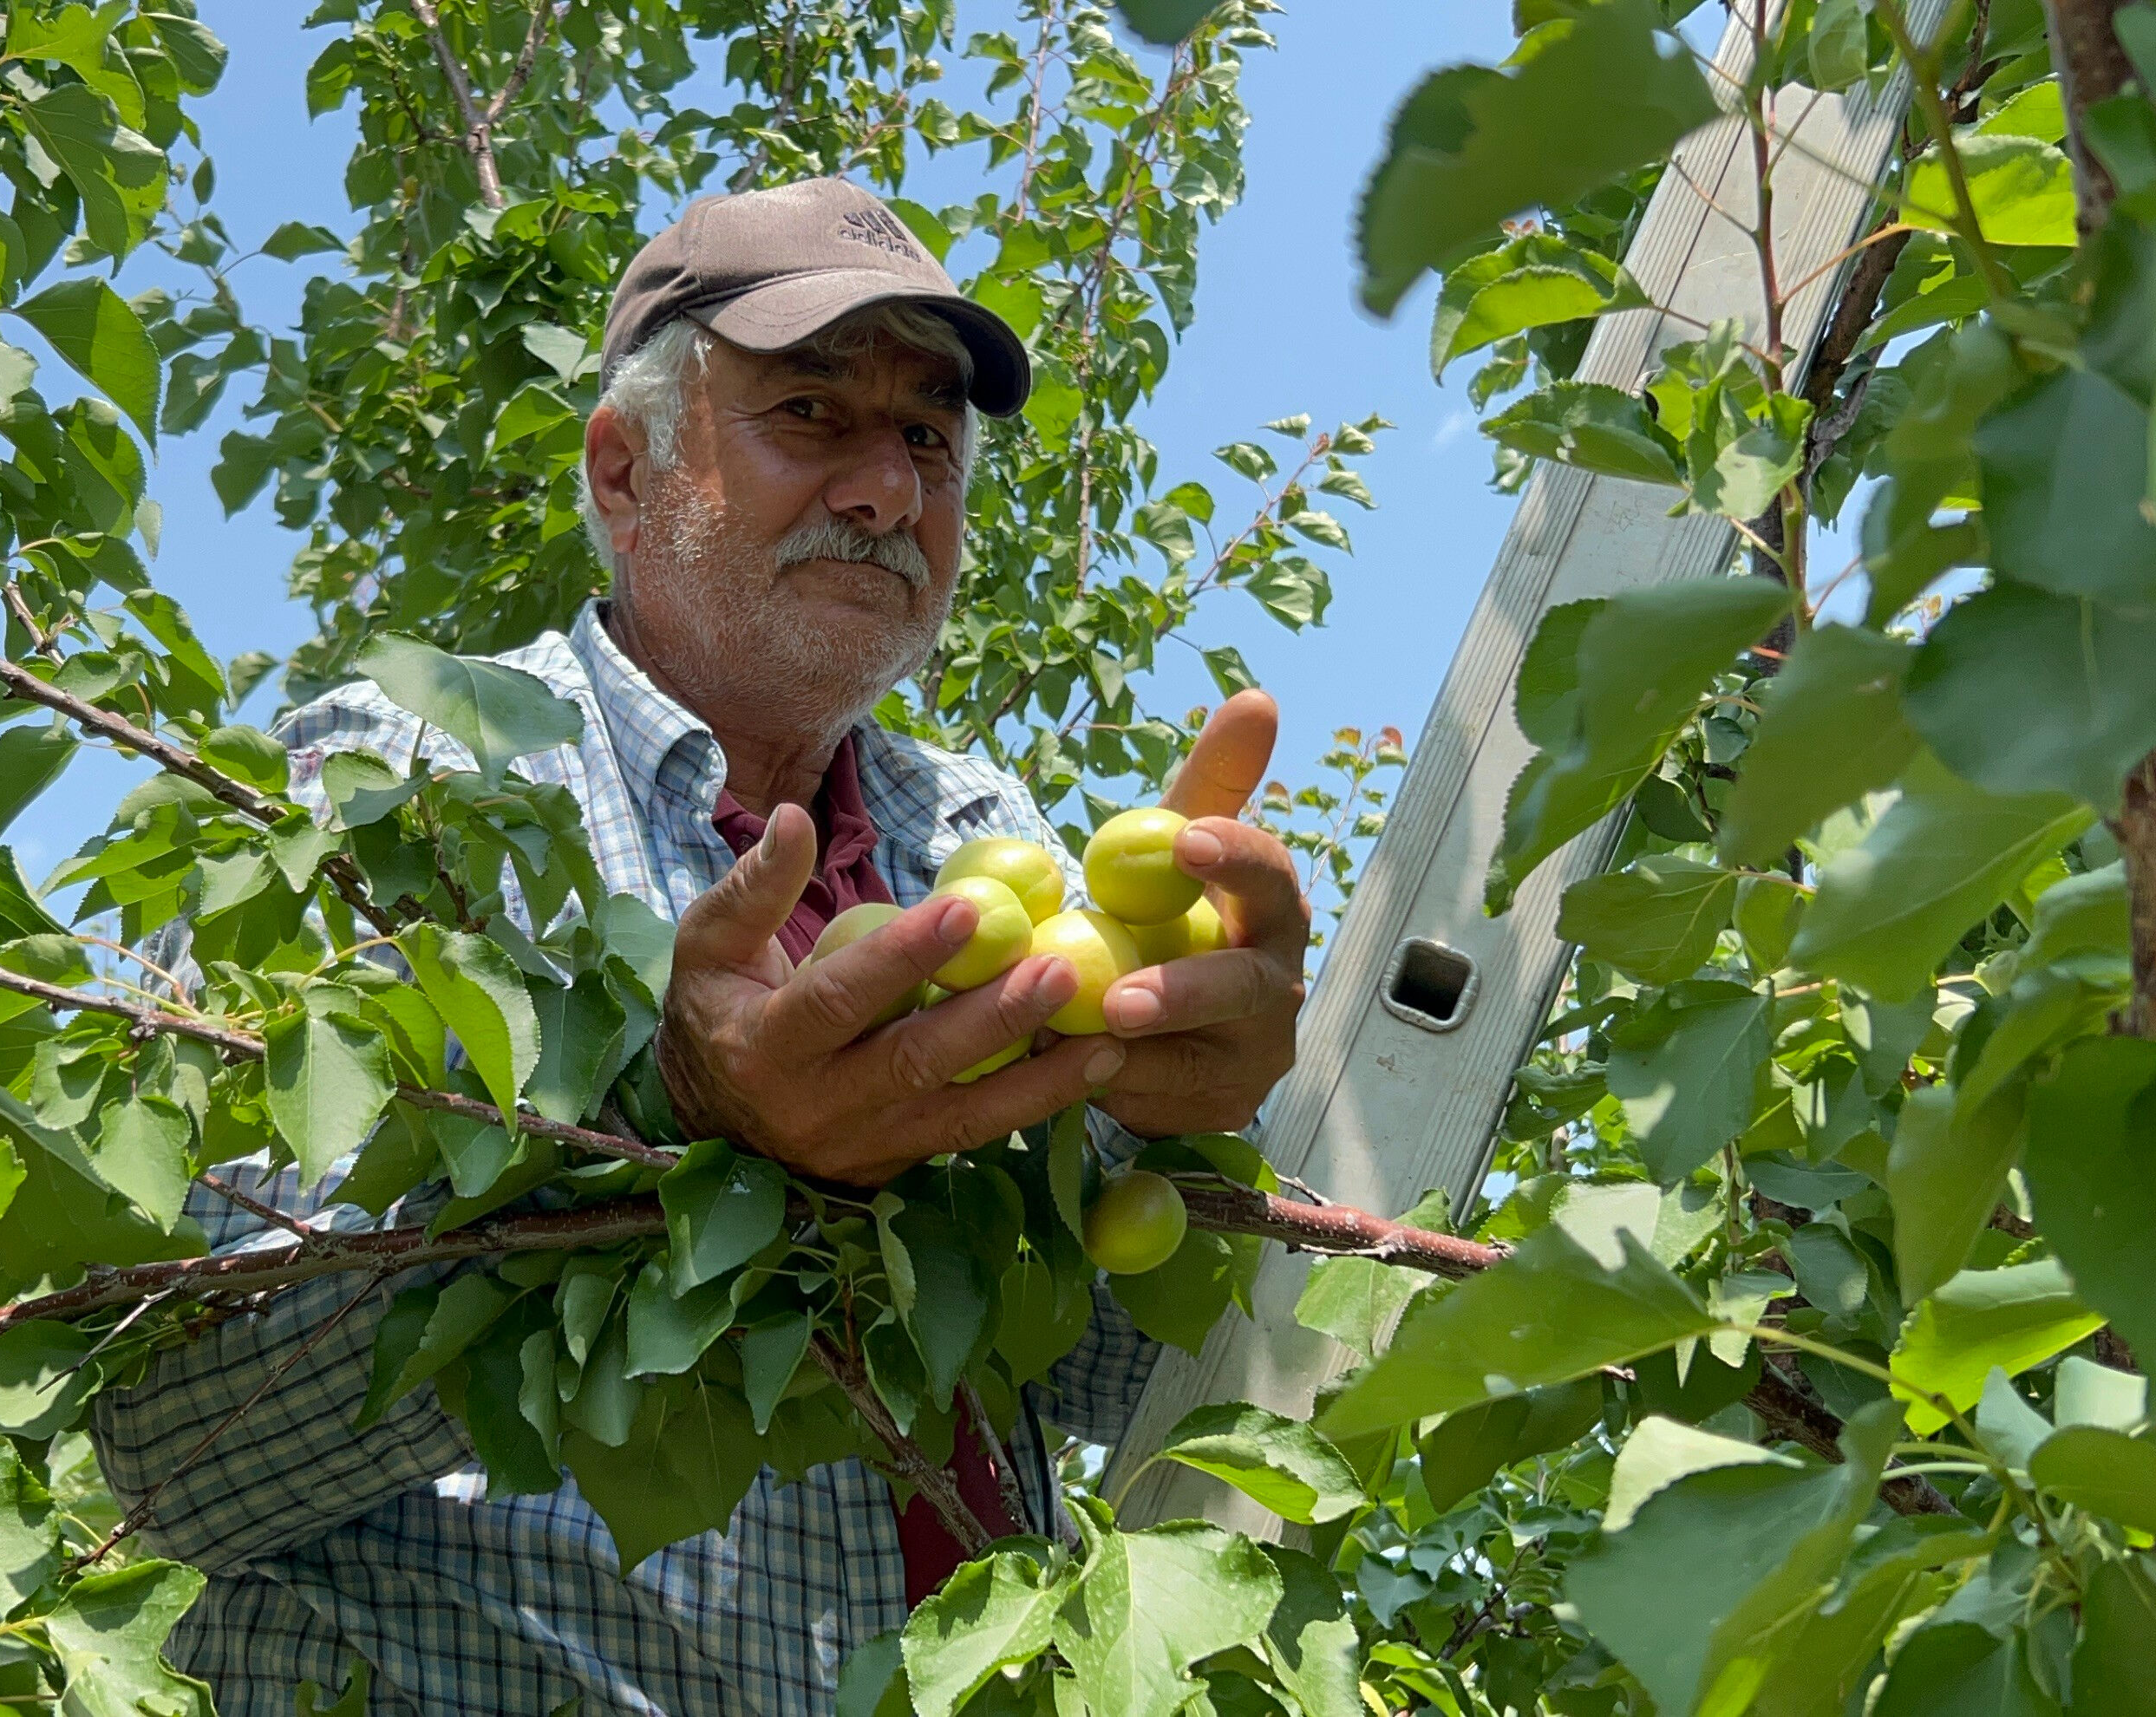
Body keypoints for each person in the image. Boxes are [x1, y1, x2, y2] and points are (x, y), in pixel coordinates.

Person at [91, 175, 1312, 1717]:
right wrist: (661, 1142)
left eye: (930, 438)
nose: (888, 490)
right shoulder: (401, 786)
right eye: (811, 412)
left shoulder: (989, 841)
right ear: (623, 470)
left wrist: (1187, 1138)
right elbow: (158, 1446)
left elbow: (1089, 1381)